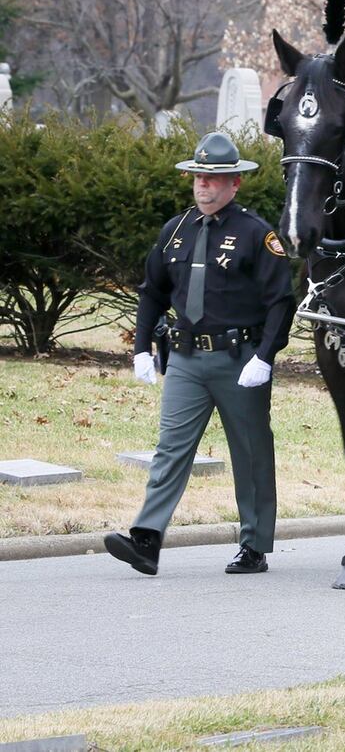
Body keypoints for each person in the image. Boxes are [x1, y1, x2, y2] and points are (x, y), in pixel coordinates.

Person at [105, 132, 294, 576]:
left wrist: (265, 356)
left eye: (213, 178)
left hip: (238, 358)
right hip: (186, 358)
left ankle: (254, 545)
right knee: (170, 448)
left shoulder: (255, 233)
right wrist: (141, 347)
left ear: (234, 184)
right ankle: (146, 539)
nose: (203, 185)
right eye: (198, 177)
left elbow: (280, 301)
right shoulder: (175, 230)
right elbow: (153, 291)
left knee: (250, 452)